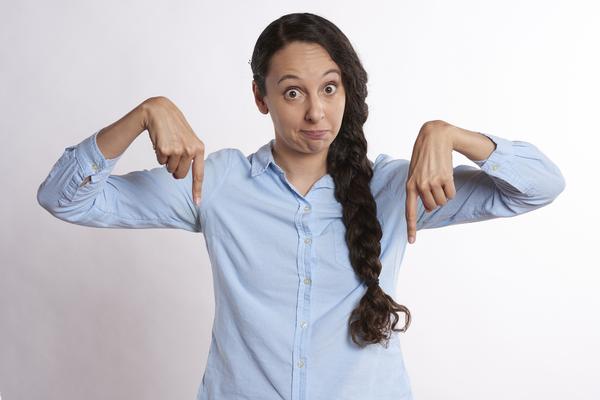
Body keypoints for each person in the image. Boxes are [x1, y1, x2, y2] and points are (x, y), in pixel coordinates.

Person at [37, 12, 566, 400]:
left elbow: (541, 185)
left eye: (329, 88)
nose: (316, 111)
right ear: (260, 96)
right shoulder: (215, 183)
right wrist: (144, 113)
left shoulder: (394, 186)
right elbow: (64, 198)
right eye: (292, 93)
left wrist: (449, 134)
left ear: (347, 91)